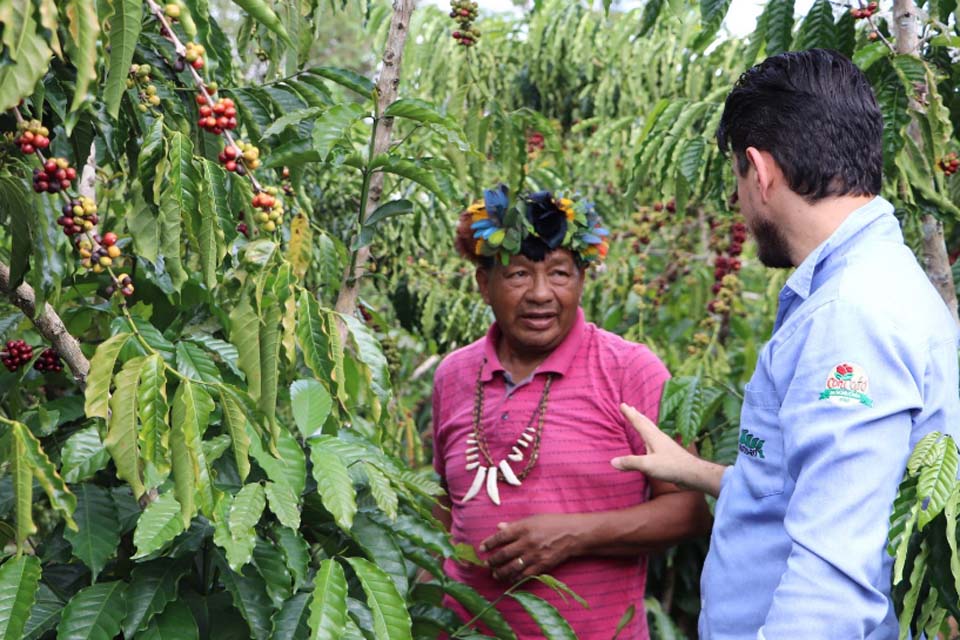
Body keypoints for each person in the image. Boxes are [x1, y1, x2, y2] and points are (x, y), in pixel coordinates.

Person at [612, 48, 960, 639]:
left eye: (739, 181)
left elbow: (833, 582)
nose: (741, 204)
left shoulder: (850, 314)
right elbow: (834, 489)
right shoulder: (869, 282)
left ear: (761, 169)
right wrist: (702, 473)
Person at [431, 185, 712, 639]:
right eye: (519, 274)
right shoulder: (453, 375)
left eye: (560, 274)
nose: (541, 294)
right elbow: (447, 502)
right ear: (484, 285)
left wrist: (575, 534)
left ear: (582, 279)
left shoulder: (630, 371)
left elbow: (689, 509)